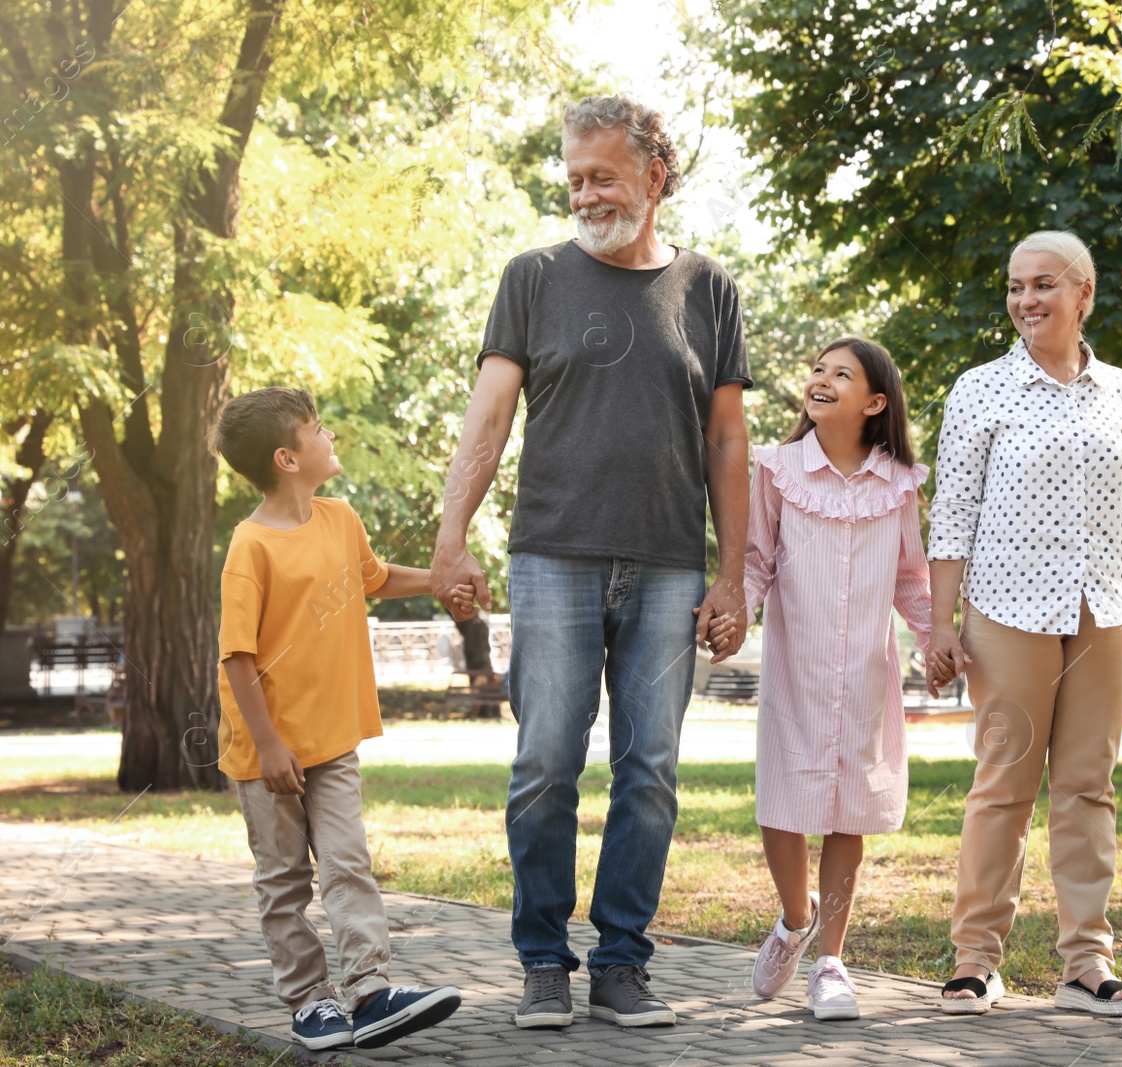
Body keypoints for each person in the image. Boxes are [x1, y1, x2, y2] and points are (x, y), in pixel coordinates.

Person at [428, 94, 751, 1029]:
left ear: (655, 176)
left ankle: (621, 963)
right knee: (543, 765)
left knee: (649, 769)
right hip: (553, 556)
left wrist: (732, 574)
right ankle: (542, 959)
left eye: (601, 176)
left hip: (667, 565)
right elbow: (488, 420)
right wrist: (454, 535)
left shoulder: (708, 289)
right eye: (572, 178)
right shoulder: (532, 278)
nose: (583, 194)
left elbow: (727, 441)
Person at [926, 231, 1122, 1017]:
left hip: (1109, 611)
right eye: (1014, 286)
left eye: (1043, 285)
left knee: (1087, 786)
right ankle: (975, 959)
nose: (1026, 300)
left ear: (1085, 295)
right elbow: (953, 515)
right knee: (1003, 781)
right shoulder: (979, 389)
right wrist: (941, 622)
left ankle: (1086, 964)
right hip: (1007, 607)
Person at [212, 387, 463, 1050]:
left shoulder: (341, 518)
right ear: (287, 458)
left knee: (348, 861)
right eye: (317, 429)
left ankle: (372, 992)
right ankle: (309, 1001)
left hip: (334, 739)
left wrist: (442, 578)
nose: (330, 436)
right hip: (267, 751)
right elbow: (236, 656)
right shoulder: (251, 545)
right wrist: (267, 745)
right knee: (285, 877)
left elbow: (373, 577)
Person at [732, 337, 946, 1021]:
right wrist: (735, 609)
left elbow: (913, 577)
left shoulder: (900, 482)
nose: (821, 378)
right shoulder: (777, 468)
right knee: (784, 799)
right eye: (817, 368)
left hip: (864, 672)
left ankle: (830, 960)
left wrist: (938, 635)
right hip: (795, 666)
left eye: (840, 373)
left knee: (848, 807)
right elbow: (756, 558)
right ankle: (796, 917)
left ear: (874, 402)